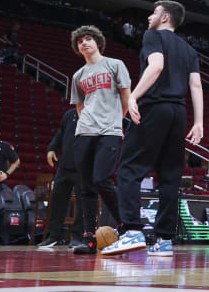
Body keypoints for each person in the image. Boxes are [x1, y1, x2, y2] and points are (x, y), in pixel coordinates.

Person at [105, 0, 204, 257]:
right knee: (170, 178)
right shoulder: (189, 50)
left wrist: (132, 97)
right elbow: (196, 86)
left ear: (164, 18)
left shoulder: (153, 35)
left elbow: (156, 66)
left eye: (154, 12)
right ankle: (164, 240)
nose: (149, 16)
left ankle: (132, 231)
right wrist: (199, 122)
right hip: (178, 113)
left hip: (155, 108)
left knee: (128, 168)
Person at [67, 26, 131, 255]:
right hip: (84, 132)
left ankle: (125, 226)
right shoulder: (78, 76)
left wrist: (116, 121)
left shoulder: (115, 65)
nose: (85, 43)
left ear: (98, 42)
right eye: (80, 41)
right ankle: (89, 238)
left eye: (89, 39)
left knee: (101, 178)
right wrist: (88, 121)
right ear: (78, 48)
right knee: (85, 187)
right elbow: (79, 105)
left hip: (110, 130)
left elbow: (126, 97)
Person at [38, 108, 83, 249]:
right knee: (57, 201)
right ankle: (54, 236)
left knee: (83, 204)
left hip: (83, 166)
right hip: (64, 166)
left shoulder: (94, 112)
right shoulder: (69, 114)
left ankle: (78, 237)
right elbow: (60, 133)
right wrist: (51, 148)